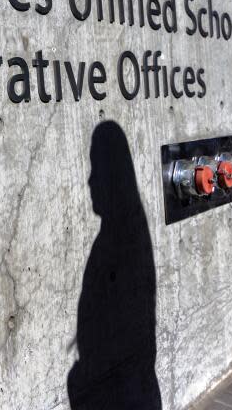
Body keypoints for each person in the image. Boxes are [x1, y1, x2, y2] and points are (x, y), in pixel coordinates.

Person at [67, 121, 162, 409]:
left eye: (96, 169)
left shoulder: (120, 244)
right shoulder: (122, 236)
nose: (90, 181)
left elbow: (120, 344)